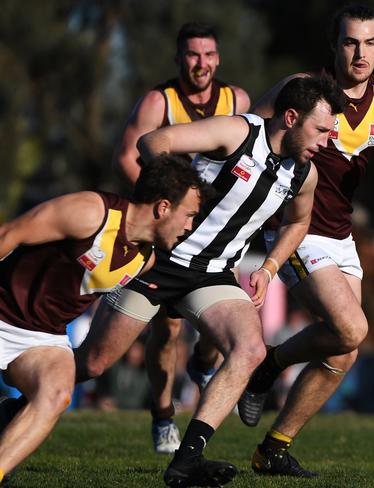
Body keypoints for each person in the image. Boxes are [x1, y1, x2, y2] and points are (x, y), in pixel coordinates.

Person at [73, 75, 346, 487]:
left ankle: (186, 462)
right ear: (291, 117)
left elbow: (299, 221)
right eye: (321, 130)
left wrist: (269, 268)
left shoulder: (302, 174)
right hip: (156, 261)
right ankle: (23, 402)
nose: (326, 142)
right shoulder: (238, 130)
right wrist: (170, 198)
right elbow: (152, 143)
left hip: (211, 275)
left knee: (250, 349)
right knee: (92, 364)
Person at [237, 3, 374, 477]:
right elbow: (246, 130)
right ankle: (270, 365)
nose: (360, 52)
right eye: (350, 42)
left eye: (370, 42)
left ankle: (274, 449)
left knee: (344, 351)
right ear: (335, 47)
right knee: (352, 328)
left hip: (342, 237)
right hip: (296, 231)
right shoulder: (304, 88)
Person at [0, 154, 204, 484]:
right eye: (189, 215)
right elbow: (10, 233)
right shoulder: (91, 212)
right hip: (2, 308)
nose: (189, 226)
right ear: (163, 207)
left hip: (43, 338)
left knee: (58, 393)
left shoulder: (146, 259)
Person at [112, 21, 250, 454]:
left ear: (218, 58)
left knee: (219, 321)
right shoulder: (160, 101)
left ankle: (203, 364)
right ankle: (163, 414)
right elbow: (127, 155)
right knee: (168, 329)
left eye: (208, 54)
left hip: (215, 234)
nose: (201, 64)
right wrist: (163, 209)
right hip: (168, 232)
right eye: (192, 55)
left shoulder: (237, 100)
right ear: (179, 59)